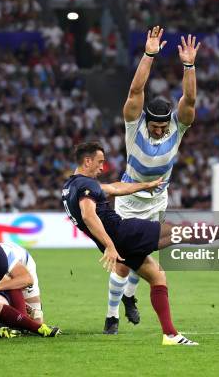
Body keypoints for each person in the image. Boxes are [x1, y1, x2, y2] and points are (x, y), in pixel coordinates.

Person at [103, 26, 200, 334]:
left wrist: (189, 65)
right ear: (147, 119)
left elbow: (191, 99)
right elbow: (134, 92)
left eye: (162, 126)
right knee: (123, 260)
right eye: (155, 126)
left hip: (157, 200)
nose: (159, 131)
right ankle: (112, 317)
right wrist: (149, 55)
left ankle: (130, 298)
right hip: (129, 200)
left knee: (143, 256)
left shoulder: (178, 126)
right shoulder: (135, 125)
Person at [62, 142, 198, 345]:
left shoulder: (71, 187)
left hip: (121, 243)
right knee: (183, 230)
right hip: (124, 233)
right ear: (87, 161)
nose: (102, 167)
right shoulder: (86, 185)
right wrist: (109, 245)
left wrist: (146, 185)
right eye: (100, 162)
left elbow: (115, 188)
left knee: (158, 276)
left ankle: (170, 335)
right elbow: (89, 216)